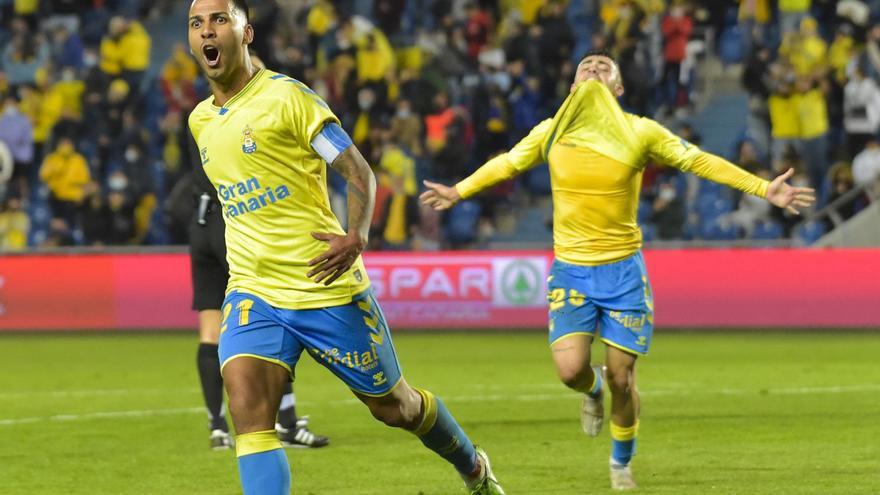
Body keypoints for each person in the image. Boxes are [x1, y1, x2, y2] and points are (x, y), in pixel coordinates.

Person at [421, 50, 816, 491]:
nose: (592, 69)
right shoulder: (551, 133)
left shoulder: (639, 131)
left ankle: (620, 463)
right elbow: (509, 162)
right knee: (571, 371)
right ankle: (592, 392)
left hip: (623, 273)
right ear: (573, 87)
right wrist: (459, 190)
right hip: (571, 271)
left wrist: (763, 188)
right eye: (585, 67)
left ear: (618, 88)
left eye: (603, 67)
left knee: (624, 380)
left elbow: (698, 160)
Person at [185, 2, 504, 494]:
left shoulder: (289, 98)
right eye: (197, 23)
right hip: (254, 289)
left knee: (395, 407)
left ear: (246, 32)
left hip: (324, 284)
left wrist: (357, 236)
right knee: (249, 413)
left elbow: (358, 171)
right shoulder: (200, 121)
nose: (208, 31)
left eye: (220, 19)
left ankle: (472, 466)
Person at [189, 138, 329, 450]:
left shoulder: (197, 118)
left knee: (210, 331)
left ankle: (217, 427)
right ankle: (286, 422)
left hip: (199, 224)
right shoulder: (238, 115)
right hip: (233, 223)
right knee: (274, 314)